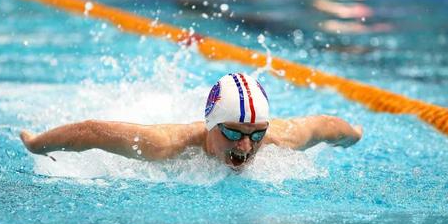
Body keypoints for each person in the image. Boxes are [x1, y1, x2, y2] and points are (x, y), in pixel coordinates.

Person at [20, 73, 362, 169]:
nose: (246, 146)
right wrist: (37, 144)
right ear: (212, 125)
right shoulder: (165, 145)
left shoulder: (279, 139)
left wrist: (354, 136)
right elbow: (91, 132)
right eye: (233, 132)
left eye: (256, 135)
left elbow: (323, 126)